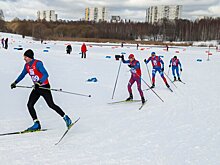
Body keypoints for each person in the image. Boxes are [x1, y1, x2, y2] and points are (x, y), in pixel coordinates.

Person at [10, 49, 72, 132]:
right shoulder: (27, 66)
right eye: (24, 57)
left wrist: (39, 82)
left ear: (30, 57)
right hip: (37, 88)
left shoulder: (38, 63)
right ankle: (36, 124)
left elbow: (46, 74)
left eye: (25, 57)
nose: (24, 58)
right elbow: (22, 74)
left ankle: (66, 118)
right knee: (30, 105)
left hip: (44, 87)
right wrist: (15, 82)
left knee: (51, 105)